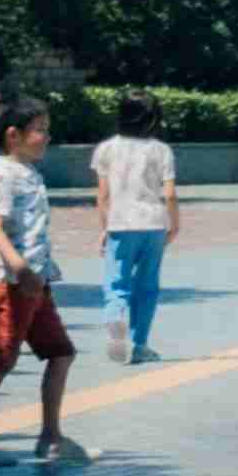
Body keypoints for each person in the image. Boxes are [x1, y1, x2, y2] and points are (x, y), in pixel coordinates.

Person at [0, 102, 66, 458]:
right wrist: (19, 268)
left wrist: (34, 273)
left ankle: (51, 437)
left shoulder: (28, 172)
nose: (46, 137)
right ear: (13, 136)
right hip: (11, 283)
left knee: (61, 353)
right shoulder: (2, 177)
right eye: (40, 130)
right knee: (0, 360)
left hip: (35, 281)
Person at [89, 102, 170, 366]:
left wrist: (104, 227)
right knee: (147, 287)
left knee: (117, 283)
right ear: (153, 119)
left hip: (120, 224)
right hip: (154, 224)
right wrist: (175, 225)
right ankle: (139, 345)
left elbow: (103, 196)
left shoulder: (106, 149)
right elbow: (169, 194)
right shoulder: (161, 150)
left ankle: (115, 318)